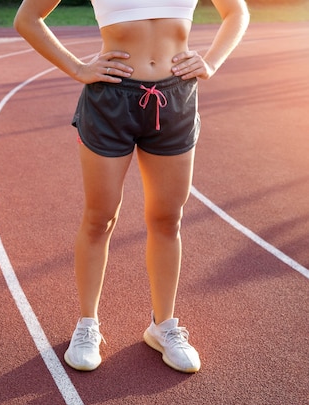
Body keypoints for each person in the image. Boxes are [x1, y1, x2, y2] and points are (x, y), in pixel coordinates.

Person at [14, 0, 249, 373]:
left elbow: (238, 11)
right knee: (100, 217)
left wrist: (212, 60)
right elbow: (27, 18)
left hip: (176, 99)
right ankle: (87, 325)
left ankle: (163, 326)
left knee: (168, 218)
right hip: (110, 98)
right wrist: (77, 67)